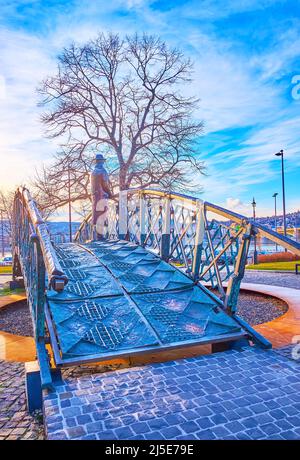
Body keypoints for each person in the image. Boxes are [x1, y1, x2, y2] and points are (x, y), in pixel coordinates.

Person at [90, 154, 111, 240]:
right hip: (102, 195)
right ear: (101, 161)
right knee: (102, 214)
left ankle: (98, 235)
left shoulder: (93, 172)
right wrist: (110, 193)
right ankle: (100, 235)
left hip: (95, 197)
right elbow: (105, 185)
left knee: (97, 215)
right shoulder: (103, 171)